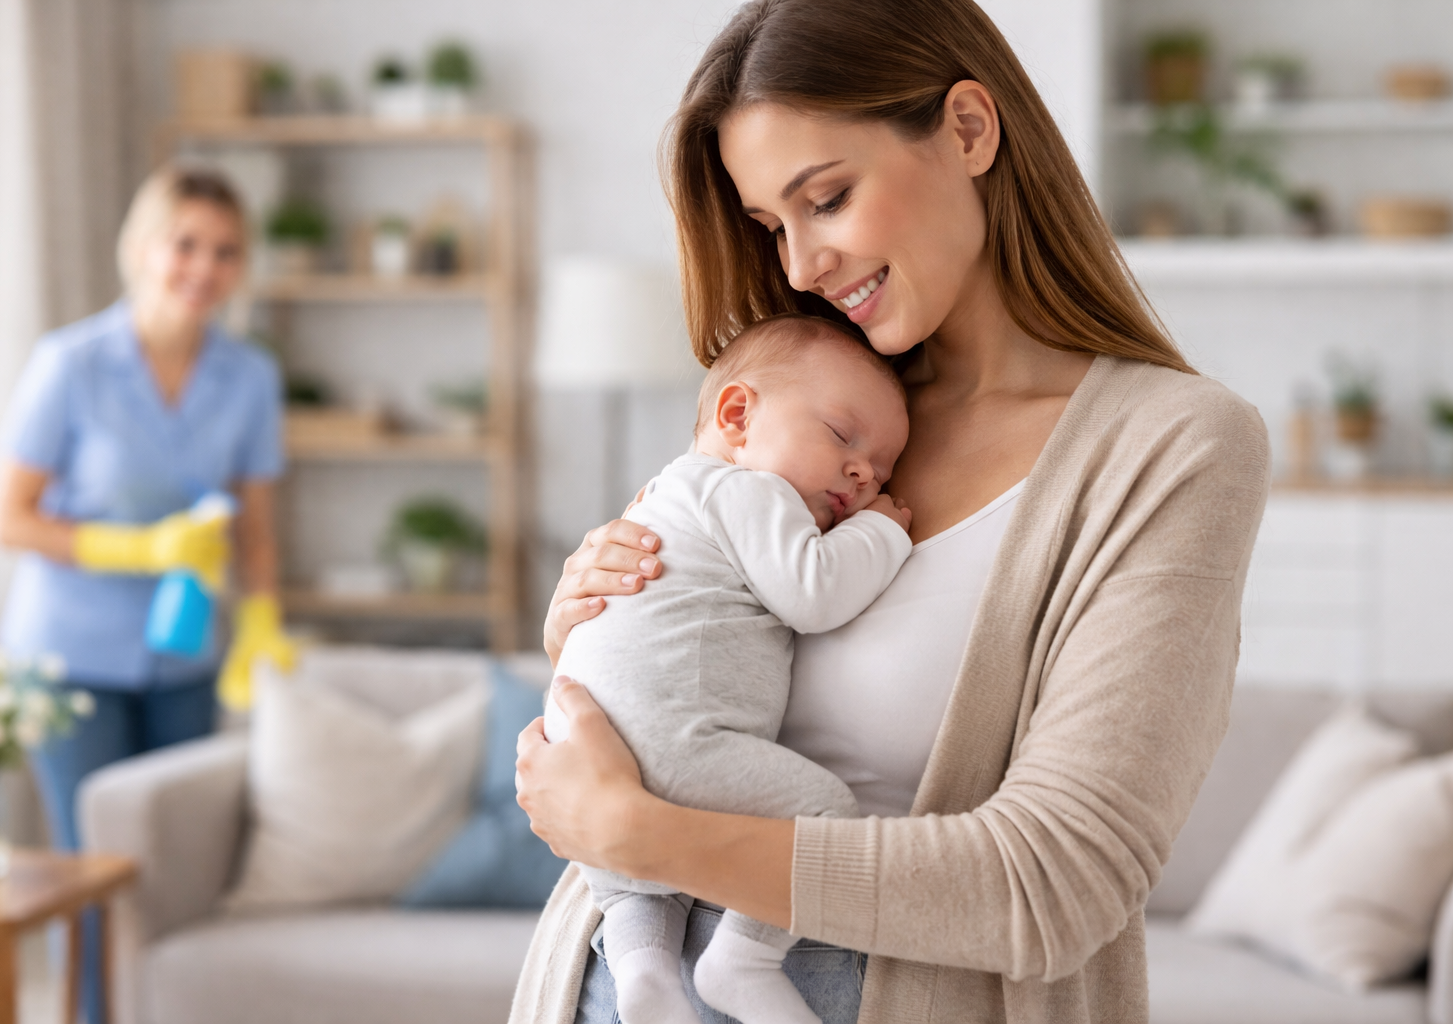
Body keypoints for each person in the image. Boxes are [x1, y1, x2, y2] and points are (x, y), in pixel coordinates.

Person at [510, 1, 1271, 1022]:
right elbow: (665, 680)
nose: (797, 267)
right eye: (771, 226)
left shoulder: (1171, 449)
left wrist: (635, 831)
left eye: (825, 198)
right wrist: (586, 620)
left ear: (968, 129)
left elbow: (1056, 885)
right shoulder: (809, 416)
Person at [0, 165, 295, 1024]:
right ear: (142, 249)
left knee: (169, 862)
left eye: (225, 251)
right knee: (89, 870)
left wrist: (262, 624)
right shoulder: (71, 365)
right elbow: (7, 519)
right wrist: (133, 546)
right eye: (185, 243)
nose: (203, 266)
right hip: (67, 656)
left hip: (185, 652)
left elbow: (257, 527)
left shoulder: (249, 377)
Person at [547, 314, 912, 1024]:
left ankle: (644, 973)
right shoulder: (746, 491)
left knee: (636, 889)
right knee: (826, 816)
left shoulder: (665, 494)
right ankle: (742, 957)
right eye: (843, 436)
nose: (864, 472)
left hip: (585, 743)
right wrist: (882, 528)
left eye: (884, 471)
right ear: (738, 415)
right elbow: (815, 593)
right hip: (676, 742)